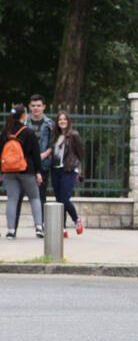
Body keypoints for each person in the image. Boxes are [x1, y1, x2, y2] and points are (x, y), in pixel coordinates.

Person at [2, 104, 45, 238]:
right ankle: (38, 227)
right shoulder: (28, 132)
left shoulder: (5, 132)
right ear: (23, 115)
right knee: (34, 197)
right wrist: (38, 171)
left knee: (12, 199)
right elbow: (36, 154)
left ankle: (11, 230)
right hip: (27, 169)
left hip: (8, 171)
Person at [13, 94, 54, 228]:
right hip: (23, 164)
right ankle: (13, 227)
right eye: (33, 106)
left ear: (44, 107)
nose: (36, 108)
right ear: (30, 107)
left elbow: (53, 144)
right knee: (17, 196)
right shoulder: (23, 122)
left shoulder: (50, 124)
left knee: (40, 196)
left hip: (42, 164)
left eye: (38, 106)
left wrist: (44, 154)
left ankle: (39, 226)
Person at [50, 111, 85, 238]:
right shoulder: (55, 135)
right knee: (59, 200)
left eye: (65, 119)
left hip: (69, 169)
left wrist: (79, 170)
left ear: (68, 121)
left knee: (64, 199)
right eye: (60, 120)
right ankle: (62, 228)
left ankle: (76, 220)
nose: (62, 121)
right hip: (55, 169)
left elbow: (81, 154)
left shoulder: (74, 135)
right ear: (57, 122)